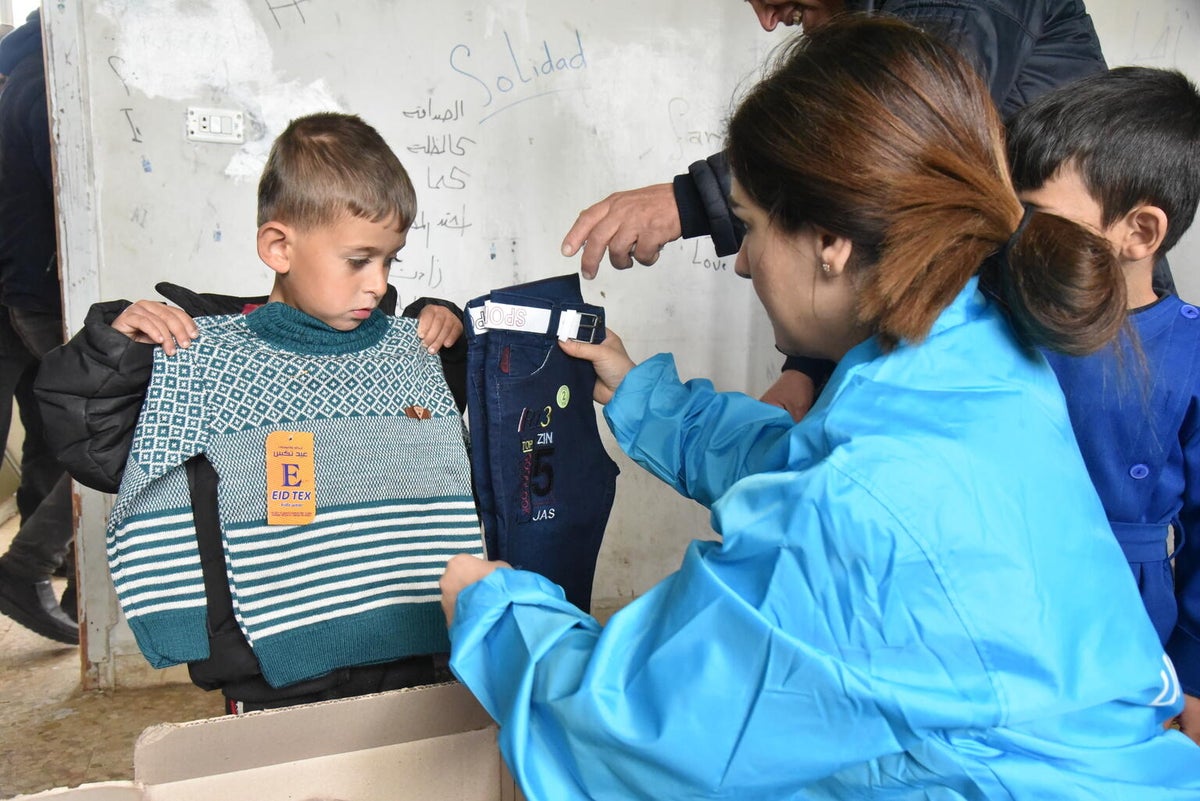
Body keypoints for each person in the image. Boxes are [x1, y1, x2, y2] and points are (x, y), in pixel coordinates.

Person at [441, 16, 1200, 799]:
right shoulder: (974, 351)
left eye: (755, 225)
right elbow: (807, 462)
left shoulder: (865, 505)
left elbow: (639, 729)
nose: (743, 262)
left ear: (832, 242)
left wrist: (492, 612)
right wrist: (644, 395)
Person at [36, 112, 479, 713]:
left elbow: (445, 453)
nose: (377, 284)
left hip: (416, 646)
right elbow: (98, 449)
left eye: (390, 261)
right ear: (279, 247)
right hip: (266, 660)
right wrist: (113, 353)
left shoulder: (410, 351)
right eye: (359, 260)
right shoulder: (198, 356)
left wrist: (450, 330)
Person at [563, 0, 1111, 422]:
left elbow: (880, 143)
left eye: (750, 224)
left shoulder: (880, 457)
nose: (766, 17)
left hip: (1076, 333)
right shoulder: (951, 369)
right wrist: (808, 368)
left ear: (831, 242)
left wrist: (688, 203)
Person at [1007, 66, 1200, 744]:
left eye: (1043, 218)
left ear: (1140, 233)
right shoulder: (998, 323)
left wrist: (1196, 676)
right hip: (1000, 590)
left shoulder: (1193, 351)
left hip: (1129, 620)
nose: (1020, 236)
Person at [0, 9, 78, 646]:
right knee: (114, 429)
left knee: (55, 438)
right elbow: (71, 190)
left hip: (27, 289)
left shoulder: (25, 77)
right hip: (43, 292)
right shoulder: (42, 82)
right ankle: (26, 566)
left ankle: (59, 575)